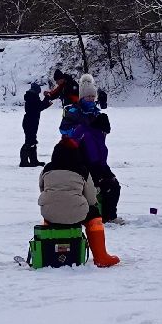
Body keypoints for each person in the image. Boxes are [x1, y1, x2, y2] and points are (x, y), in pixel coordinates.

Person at [38, 124, 120, 267]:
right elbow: (91, 198)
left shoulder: (47, 169)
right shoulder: (82, 170)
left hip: (49, 214)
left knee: (51, 211)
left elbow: (42, 188)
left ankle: (47, 253)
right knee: (94, 216)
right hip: (76, 214)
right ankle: (101, 257)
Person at [65, 74, 120, 221]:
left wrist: (104, 130)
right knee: (92, 189)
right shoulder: (74, 111)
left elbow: (101, 137)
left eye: (92, 96)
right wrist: (82, 130)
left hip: (99, 158)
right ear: (81, 97)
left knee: (114, 185)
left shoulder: (97, 113)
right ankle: (90, 217)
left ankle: (110, 216)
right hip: (82, 159)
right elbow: (65, 130)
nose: (90, 99)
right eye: (87, 96)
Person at [20, 80, 52, 167]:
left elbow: (39, 107)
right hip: (30, 121)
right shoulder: (32, 97)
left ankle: (33, 161)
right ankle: (24, 162)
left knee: (32, 140)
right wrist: (47, 98)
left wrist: (46, 101)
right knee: (30, 141)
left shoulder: (31, 96)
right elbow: (39, 106)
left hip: (31, 121)